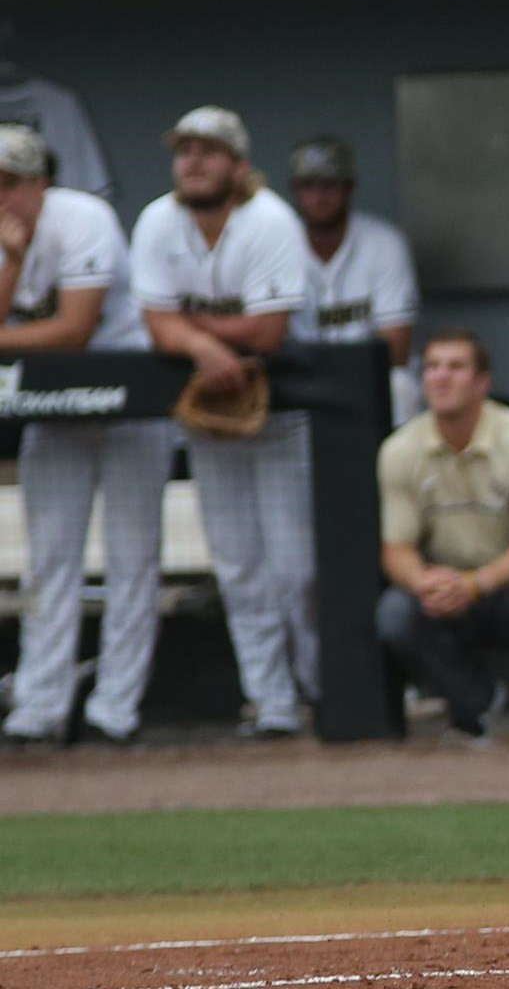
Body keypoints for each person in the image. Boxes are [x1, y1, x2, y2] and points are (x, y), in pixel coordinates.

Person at [130, 105, 315, 738]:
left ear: (238, 166)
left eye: (208, 151)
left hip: (286, 408)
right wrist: (204, 346)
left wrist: (188, 332)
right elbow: (153, 326)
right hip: (211, 411)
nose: (193, 162)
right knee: (238, 565)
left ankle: (319, 684)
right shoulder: (158, 219)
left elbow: (268, 331)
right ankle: (273, 703)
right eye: (184, 150)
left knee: (297, 567)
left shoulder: (271, 221)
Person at [0, 125, 172, 746]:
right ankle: (38, 707)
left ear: (40, 182)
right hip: (54, 409)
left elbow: (74, 330)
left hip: (128, 401)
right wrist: (13, 260)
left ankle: (114, 711)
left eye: (11, 184)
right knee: (48, 561)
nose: (1, 197)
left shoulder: (84, 217)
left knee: (132, 560)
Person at [375, 327, 509, 746]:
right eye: (431, 367)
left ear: (482, 381)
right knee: (395, 612)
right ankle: (473, 706)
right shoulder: (400, 449)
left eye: (455, 367)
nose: (441, 377)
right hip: (444, 589)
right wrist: (423, 582)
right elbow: (396, 550)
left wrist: (476, 583)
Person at [286, 135, 422, 427]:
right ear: (295, 191)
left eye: (330, 185)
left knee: (400, 386)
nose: (319, 196)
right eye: (309, 185)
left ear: (349, 187)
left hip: (369, 376)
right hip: (300, 378)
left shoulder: (384, 242)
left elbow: (396, 349)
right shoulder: (277, 244)